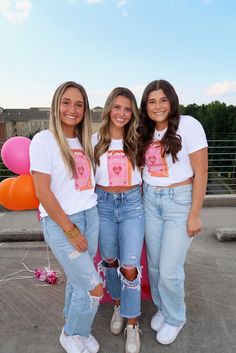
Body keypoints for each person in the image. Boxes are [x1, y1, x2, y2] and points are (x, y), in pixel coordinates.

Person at [29, 81, 103, 353]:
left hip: (90, 216)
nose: (73, 109)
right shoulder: (44, 140)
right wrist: (70, 230)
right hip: (63, 224)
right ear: (56, 105)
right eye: (66, 102)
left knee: (77, 280)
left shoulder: (85, 141)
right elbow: (42, 191)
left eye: (79, 104)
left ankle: (78, 331)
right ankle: (71, 333)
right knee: (93, 287)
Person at [136, 79, 208, 345]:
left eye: (163, 100)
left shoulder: (189, 125)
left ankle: (176, 317)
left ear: (172, 101)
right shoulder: (144, 130)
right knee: (154, 265)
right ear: (146, 106)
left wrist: (195, 213)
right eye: (152, 101)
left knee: (169, 269)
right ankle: (163, 308)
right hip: (150, 199)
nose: (158, 106)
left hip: (179, 202)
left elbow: (201, 172)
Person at [92, 87, 144, 353]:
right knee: (110, 261)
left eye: (127, 108)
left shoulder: (139, 140)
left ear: (133, 112)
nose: (122, 113)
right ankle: (118, 305)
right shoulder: (93, 141)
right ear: (108, 109)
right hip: (103, 205)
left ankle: (132, 324)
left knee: (130, 267)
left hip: (132, 204)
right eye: (117, 107)